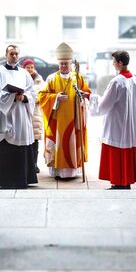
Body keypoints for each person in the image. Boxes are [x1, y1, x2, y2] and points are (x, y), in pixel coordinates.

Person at [89, 50, 136, 189]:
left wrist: (91, 98)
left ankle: (119, 183)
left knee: (117, 152)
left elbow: (105, 105)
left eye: (114, 61)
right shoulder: (134, 80)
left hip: (118, 124)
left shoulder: (117, 81)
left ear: (120, 63)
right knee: (127, 151)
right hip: (131, 124)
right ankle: (126, 182)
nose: (113, 64)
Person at [38, 42, 91, 179]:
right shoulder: (51, 78)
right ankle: (58, 171)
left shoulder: (77, 77)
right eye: (61, 64)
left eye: (66, 64)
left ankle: (72, 171)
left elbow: (86, 93)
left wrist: (82, 98)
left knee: (71, 142)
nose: (63, 66)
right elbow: (42, 96)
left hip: (74, 119)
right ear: (58, 64)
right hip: (57, 120)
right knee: (60, 142)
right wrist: (55, 98)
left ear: (70, 64)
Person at [0, 45, 38, 189]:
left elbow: (33, 92)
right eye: (12, 53)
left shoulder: (24, 73)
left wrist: (24, 98)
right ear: (6, 54)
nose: (14, 56)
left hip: (21, 114)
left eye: (16, 54)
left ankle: (22, 179)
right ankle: (4, 180)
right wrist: (12, 97)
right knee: (5, 144)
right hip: (5, 113)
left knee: (21, 145)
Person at [22, 58, 45, 173]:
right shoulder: (20, 79)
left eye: (31, 67)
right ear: (24, 68)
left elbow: (40, 96)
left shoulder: (39, 80)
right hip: (24, 112)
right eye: (27, 67)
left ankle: (34, 164)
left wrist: (26, 97)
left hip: (35, 114)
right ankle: (26, 164)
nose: (30, 69)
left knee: (35, 141)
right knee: (25, 140)